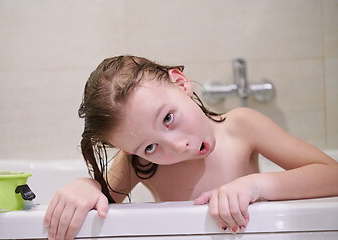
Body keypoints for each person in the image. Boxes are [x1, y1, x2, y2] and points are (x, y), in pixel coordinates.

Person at [44, 55, 338, 240]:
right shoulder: (138, 163)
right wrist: (87, 187)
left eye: (168, 118)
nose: (177, 146)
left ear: (181, 83)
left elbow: (331, 175)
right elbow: (104, 197)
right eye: (149, 147)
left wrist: (255, 186)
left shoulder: (241, 127)